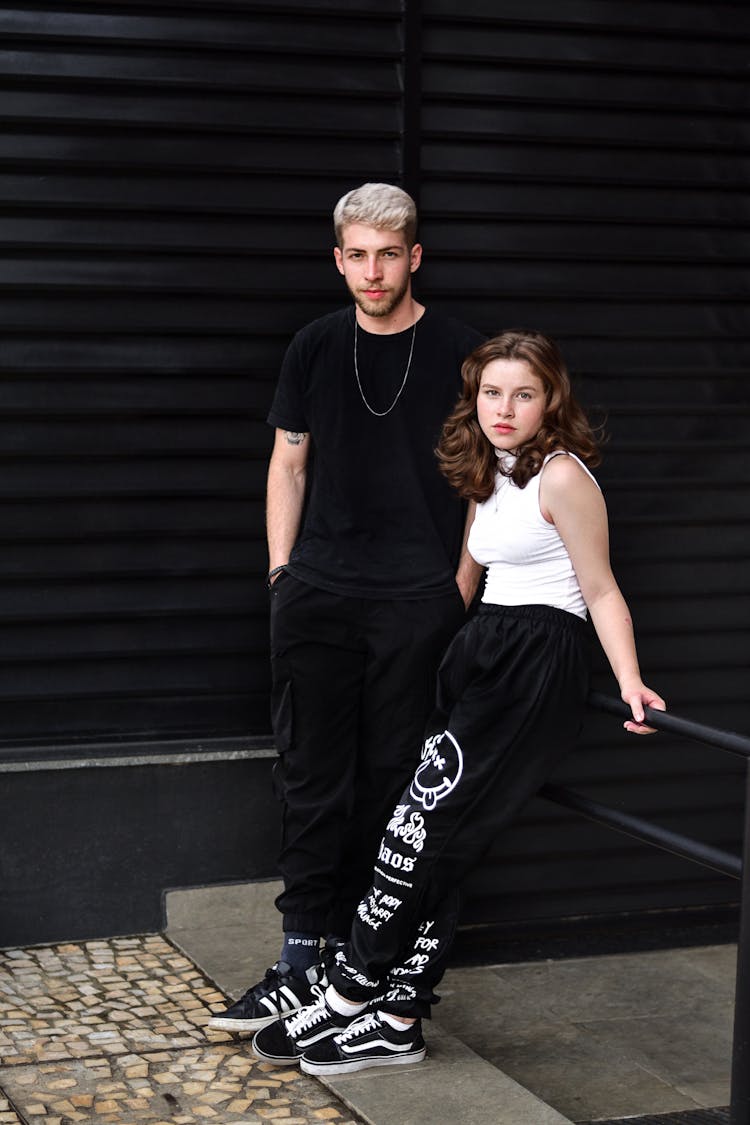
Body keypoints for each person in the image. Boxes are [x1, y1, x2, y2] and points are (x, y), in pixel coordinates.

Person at [250, 328, 667, 1072]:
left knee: (425, 828)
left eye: (524, 394)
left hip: (536, 656)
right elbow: (465, 581)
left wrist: (631, 680)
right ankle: (394, 1012)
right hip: (480, 652)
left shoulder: (563, 478)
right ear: (474, 400)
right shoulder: (491, 470)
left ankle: (353, 993)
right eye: (491, 393)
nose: (504, 408)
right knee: (420, 829)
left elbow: (600, 589)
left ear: (551, 401)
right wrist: (427, 658)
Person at [208, 183, 485, 1035]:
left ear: (415, 257)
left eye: (388, 254)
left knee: (393, 788)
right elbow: (287, 462)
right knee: (309, 775)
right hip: (319, 593)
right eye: (357, 255)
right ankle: (300, 959)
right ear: (339, 259)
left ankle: (361, 973)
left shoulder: (461, 353)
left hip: (416, 601)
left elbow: (488, 480)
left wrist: (458, 588)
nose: (373, 272)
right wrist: (281, 570)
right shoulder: (315, 346)